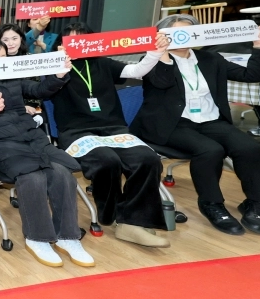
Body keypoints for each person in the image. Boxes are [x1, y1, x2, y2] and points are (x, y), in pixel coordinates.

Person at [131, 14, 260, 236]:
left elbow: (251, 74)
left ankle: (258, 204)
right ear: (162, 36)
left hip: (211, 120)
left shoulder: (211, 59)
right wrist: (160, 53)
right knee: (210, 150)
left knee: (251, 148)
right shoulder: (152, 61)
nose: (184, 38)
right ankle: (212, 204)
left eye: (189, 33)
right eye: (176, 33)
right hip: (171, 125)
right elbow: (161, 82)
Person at [0, 39, 92, 268]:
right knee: (32, 177)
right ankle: (37, 238)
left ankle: (67, 236)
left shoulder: (13, 77)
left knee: (62, 173)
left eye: (1, 56)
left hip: (29, 137)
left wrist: (59, 75)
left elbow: (38, 89)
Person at [51, 23, 174, 247]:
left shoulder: (102, 63)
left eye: (83, 40)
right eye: (71, 40)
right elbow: (43, 88)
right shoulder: (53, 67)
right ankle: (114, 215)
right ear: (61, 43)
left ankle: (134, 219)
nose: (77, 44)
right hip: (76, 132)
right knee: (107, 161)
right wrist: (58, 64)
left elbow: (135, 72)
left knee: (148, 160)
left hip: (113, 129)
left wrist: (155, 52)